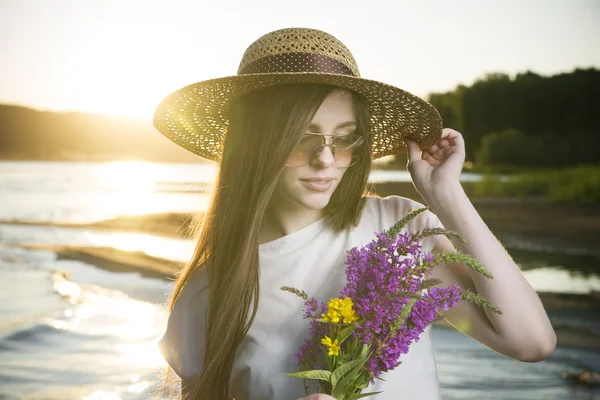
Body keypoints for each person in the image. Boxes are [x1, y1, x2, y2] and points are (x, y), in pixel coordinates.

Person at [153, 28, 556, 400]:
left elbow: (530, 342)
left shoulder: (398, 231)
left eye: (344, 139)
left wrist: (446, 194)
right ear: (255, 144)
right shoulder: (206, 292)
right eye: (302, 138)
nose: (325, 158)